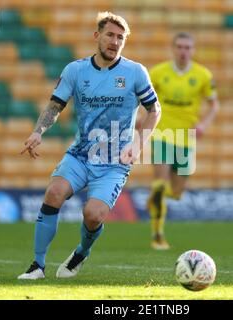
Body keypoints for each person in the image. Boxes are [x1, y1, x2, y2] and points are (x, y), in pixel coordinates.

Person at [17, 12, 161, 280]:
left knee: (93, 215)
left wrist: (138, 144)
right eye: (110, 35)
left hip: (114, 161)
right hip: (81, 154)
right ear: (97, 36)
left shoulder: (135, 72)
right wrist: (38, 132)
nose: (115, 41)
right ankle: (37, 265)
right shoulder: (75, 70)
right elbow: (55, 106)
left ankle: (81, 252)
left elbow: (154, 110)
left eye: (121, 37)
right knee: (53, 193)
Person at [145, 32, 219, 250]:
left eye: (187, 47)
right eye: (179, 46)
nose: (183, 51)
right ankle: (157, 234)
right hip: (162, 133)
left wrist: (204, 124)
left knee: (176, 193)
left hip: (186, 138)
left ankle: (155, 199)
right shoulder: (158, 72)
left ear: (193, 50)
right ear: (173, 49)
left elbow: (214, 105)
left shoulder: (203, 75)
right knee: (160, 182)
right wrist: (144, 118)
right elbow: (143, 97)